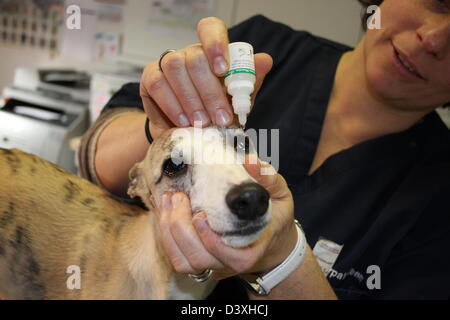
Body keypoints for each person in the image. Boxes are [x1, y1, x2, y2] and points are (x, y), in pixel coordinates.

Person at [79, 0, 450, 299]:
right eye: (441, 3)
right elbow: (95, 159)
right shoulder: (259, 50)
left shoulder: (437, 201)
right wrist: (161, 130)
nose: (433, 39)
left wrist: (285, 261)